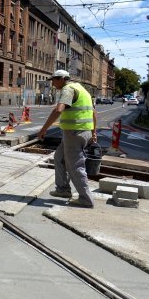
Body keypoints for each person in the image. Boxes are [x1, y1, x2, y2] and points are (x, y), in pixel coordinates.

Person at [38, 69, 97, 208]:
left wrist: (43, 129)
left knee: (75, 165)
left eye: (54, 79)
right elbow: (94, 113)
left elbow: (58, 110)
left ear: (63, 79)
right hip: (82, 132)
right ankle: (63, 189)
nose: (52, 83)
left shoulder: (68, 89)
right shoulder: (82, 89)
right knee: (59, 158)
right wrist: (94, 132)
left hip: (74, 133)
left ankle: (86, 199)